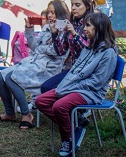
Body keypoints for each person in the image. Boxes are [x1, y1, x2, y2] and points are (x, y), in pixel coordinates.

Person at [36, 12, 117, 157]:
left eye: (88, 25)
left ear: (99, 28)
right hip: (75, 87)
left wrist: (70, 88)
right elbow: (76, 70)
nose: (84, 29)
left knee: (59, 106)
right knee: (40, 101)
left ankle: (67, 139)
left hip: (92, 93)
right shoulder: (90, 47)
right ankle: (75, 128)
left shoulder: (108, 53)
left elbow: (96, 82)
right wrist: (67, 86)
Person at [0, 0, 70, 129]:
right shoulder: (47, 28)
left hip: (47, 69)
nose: (49, 16)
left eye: (53, 12)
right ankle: (10, 113)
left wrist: (45, 44)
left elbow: (57, 53)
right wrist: (29, 29)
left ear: (60, 14)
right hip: (33, 63)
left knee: (12, 78)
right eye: (49, 12)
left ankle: (26, 114)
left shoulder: (65, 31)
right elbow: (35, 47)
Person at [40, 0, 93, 93]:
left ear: (87, 6)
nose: (73, 8)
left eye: (77, 5)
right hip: (74, 70)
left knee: (52, 90)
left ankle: (78, 109)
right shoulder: (72, 23)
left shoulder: (92, 24)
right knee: (46, 87)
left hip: (87, 71)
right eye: (72, 5)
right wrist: (55, 34)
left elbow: (89, 52)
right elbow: (61, 52)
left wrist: (74, 34)